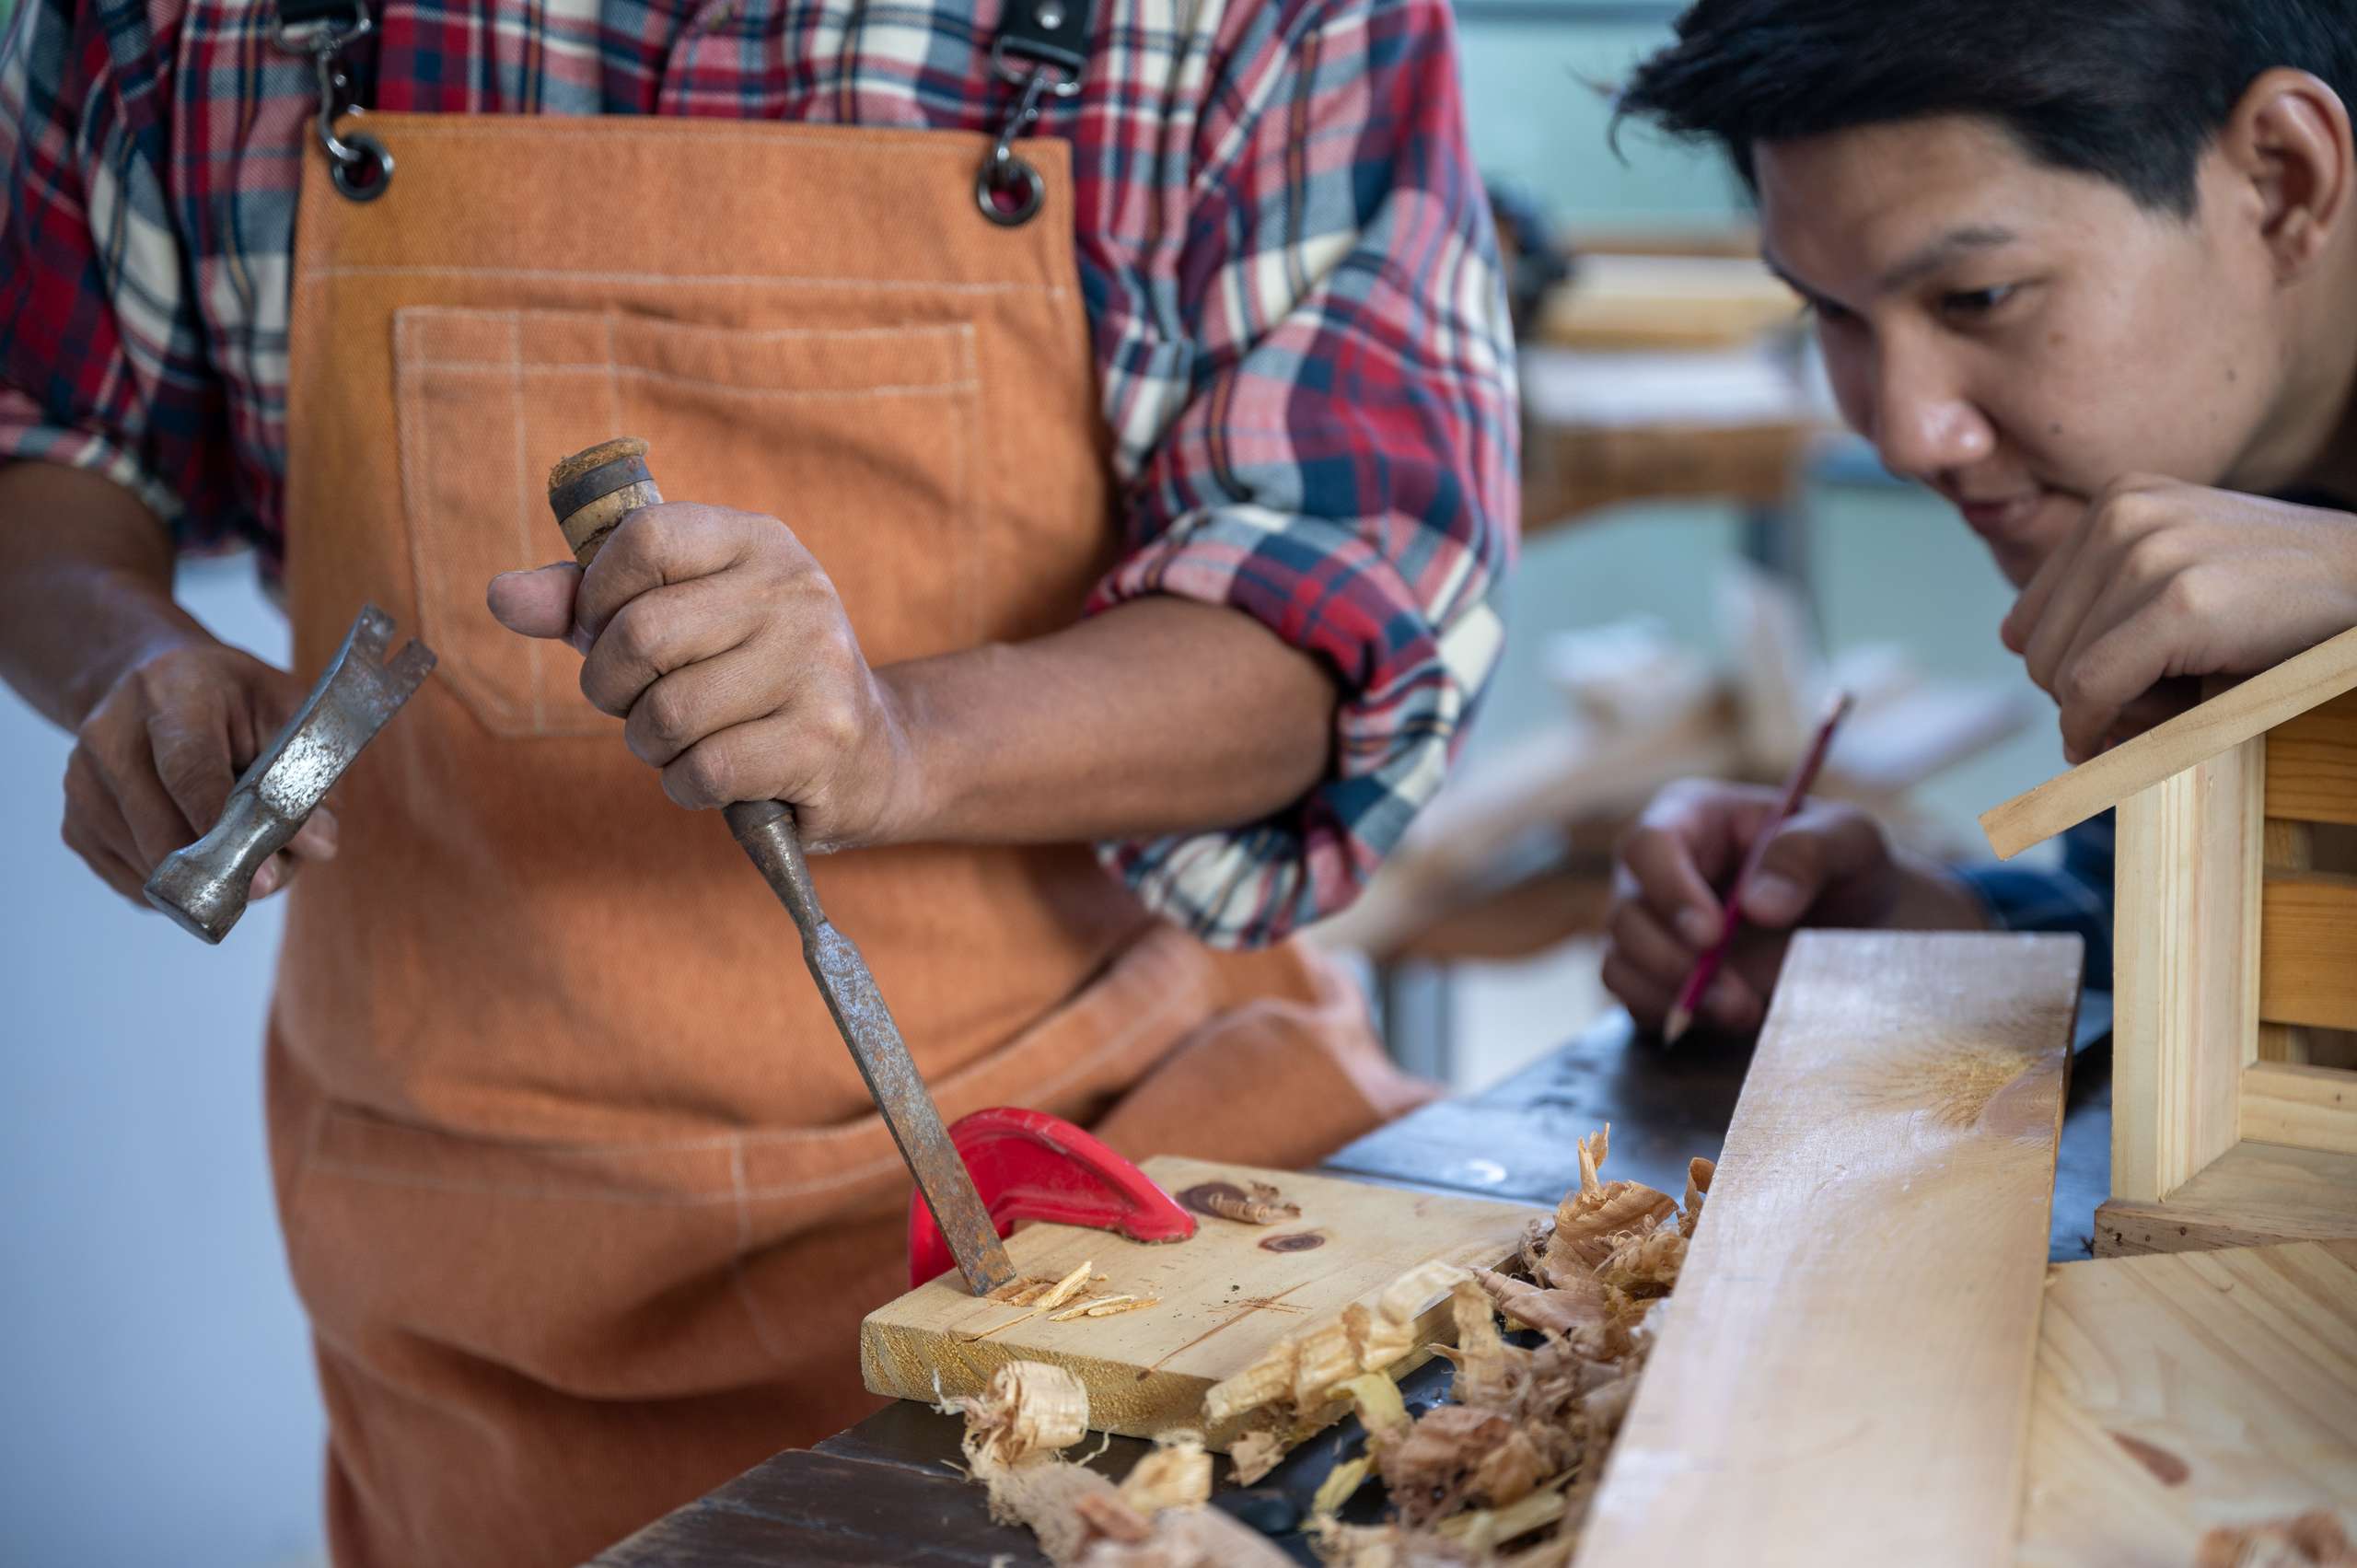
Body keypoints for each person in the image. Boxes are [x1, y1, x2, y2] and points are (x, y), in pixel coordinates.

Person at [0, 0, 1516, 1557]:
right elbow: (47, 448)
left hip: (1126, 1201)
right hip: (496, 1306)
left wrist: (902, 737)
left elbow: (1345, 599)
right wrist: (129, 660)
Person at [1596, 0, 2357, 1036]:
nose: (1907, 436)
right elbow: (2216, 957)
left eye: (1980, 297)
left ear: (2280, 182)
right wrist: (1921, 934)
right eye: (1830, 310)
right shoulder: (2213, 490)